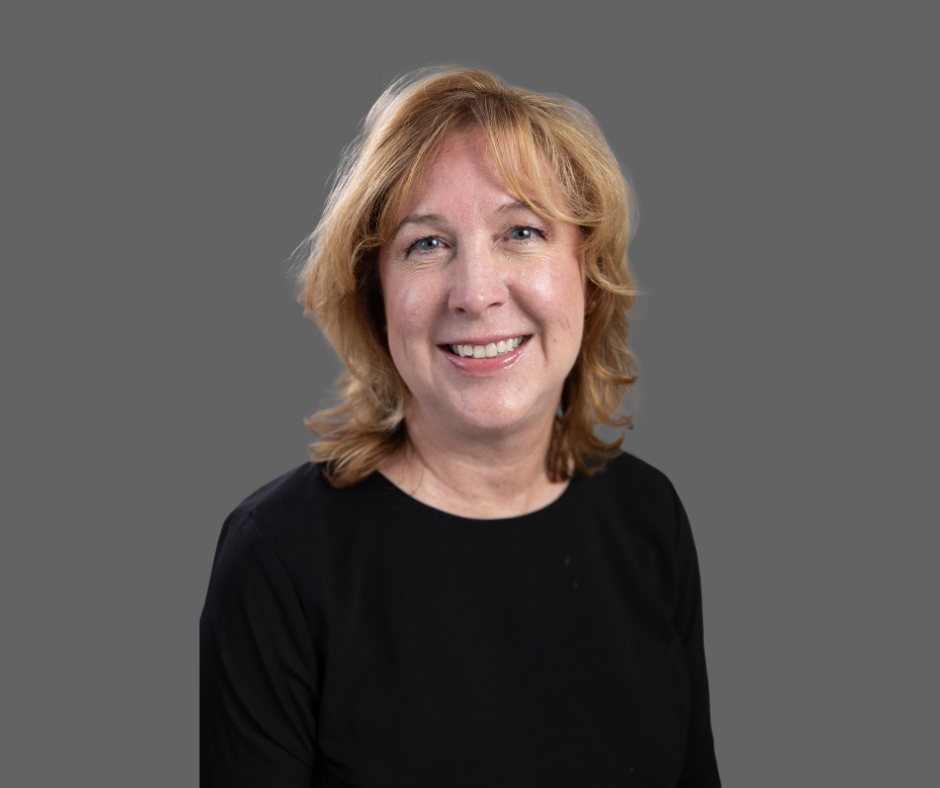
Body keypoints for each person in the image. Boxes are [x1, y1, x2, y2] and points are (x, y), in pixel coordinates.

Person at [200, 66, 721, 787]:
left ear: (589, 274)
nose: (476, 293)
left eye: (521, 232)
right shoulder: (279, 560)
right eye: (425, 244)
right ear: (377, 295)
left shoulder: (649, 519)